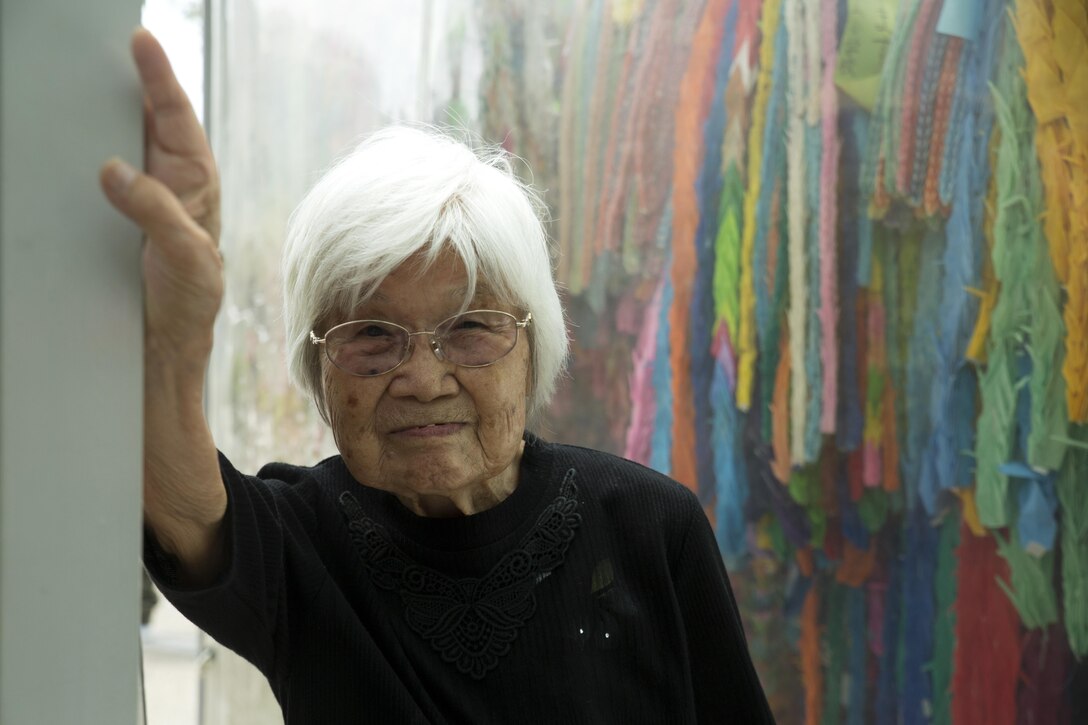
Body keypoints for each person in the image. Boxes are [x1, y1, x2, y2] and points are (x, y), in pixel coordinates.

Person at [102, 28, 774, 724]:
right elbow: (181, 504)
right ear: (320, 366)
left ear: (531, 344)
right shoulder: (304, 541)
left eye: (470, 327)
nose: (424, 379)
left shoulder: (651, 525)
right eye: (370, 335)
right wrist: (173, 342)